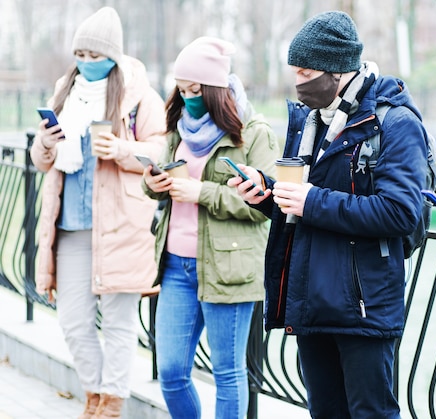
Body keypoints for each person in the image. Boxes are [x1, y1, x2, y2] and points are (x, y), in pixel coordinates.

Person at [229, 11, 429, 418]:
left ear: (339, 69)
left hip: (363, 306)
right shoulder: (312, 121)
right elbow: (305, 199)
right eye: (295, 71)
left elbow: (401, 212)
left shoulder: (396, 122)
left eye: (307, 71)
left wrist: (310, 201)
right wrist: (267, 194)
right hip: (312, 302)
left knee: (371, 412)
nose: (299, 81)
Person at [30, 7, 165, 419]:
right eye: (80, 54)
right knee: (72, 322)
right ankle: (94, 393)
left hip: (121, 225)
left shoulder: (139, 93)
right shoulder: (63, 90)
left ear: (112, 55)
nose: (86, 62)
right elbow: (41, 161)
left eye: (94, 55)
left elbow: (160, 150)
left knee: (120, 324)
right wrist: (46, 143)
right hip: (69, 227)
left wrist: (122, 150)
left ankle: (109, 406)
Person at [141, 37, 279, 419]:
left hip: (229, 270)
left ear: (216, 89)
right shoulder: (179, 126)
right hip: (176, 267)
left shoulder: (254, 132)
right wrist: (153, 185)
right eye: (182, 89)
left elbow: (264, 205)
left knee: (228, 374)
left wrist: (201, 192)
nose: (187, 98)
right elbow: (165, 178)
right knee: (170, 371)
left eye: (195, 90)